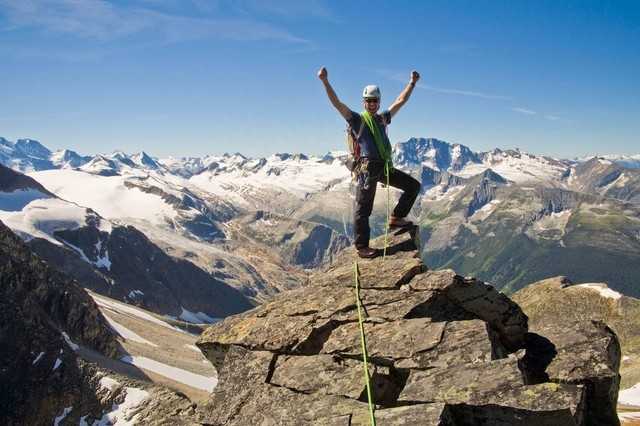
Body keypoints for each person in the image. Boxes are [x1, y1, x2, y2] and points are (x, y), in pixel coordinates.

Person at [318, 66, 421, 258]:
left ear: (379, 102)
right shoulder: (356, 120)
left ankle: (397, 217)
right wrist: (325, 81)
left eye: (375, 101)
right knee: (363, 208)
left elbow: (400, 101)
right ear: (364, 102)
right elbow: (337, 103)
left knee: (413, 186)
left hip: (383, 167)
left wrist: (412, 83)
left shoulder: (382, 119)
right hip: (367, 170)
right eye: (369, 101)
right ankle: (362, 247)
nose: (372, 104)